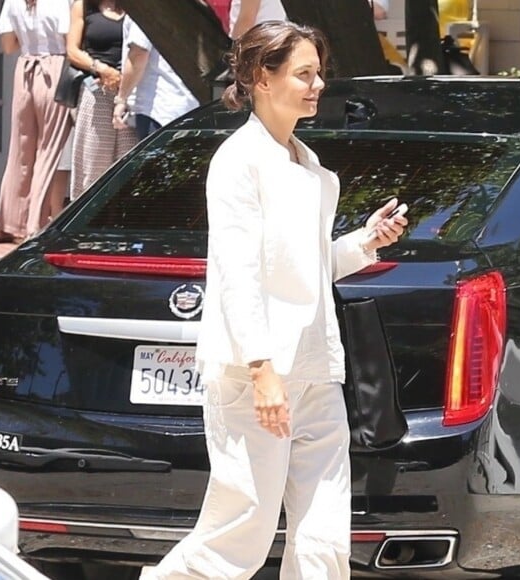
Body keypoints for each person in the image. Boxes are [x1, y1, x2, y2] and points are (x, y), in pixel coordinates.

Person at [141, 21, 407, 580]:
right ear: (263, 77)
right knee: (243, 530)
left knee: (323, 531)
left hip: (316, 368)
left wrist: (365, 241)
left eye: (319, 74)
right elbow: (237, 275)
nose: (316, 86)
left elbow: (305, 268)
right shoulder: (239, 162)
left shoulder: (306, 164)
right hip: (257, 374)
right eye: (303, 74)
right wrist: (262, 371)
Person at [0, 0, 73, 243]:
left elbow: (8, 46)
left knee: (20, 150)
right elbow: (71, 43)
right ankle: (35, 225)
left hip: (25, 68)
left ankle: (9, 222)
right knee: (49, 150)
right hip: (54, 69)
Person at [66, 0, 137, 200]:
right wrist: (101, 68)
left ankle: (122, 220)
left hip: (131, 91)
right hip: (97, 90)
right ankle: (86, 221)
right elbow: (72, 51)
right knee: (93, 162)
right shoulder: (84, 5)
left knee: (129, 162)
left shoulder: (136, 9)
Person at [112, 18, 199, 141]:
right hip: (189, 104)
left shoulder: (144, 8)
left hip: (158, 109)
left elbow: (139, 54)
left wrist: (121, 99)